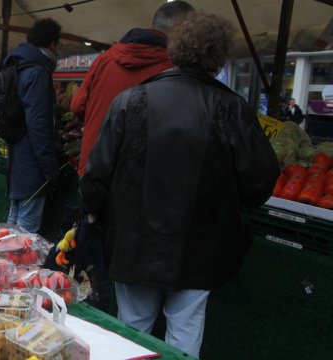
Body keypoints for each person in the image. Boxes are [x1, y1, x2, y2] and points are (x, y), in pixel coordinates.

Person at [79, 12, 280, 357]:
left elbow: (96, 174)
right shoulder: (232, 108)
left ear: (175, 49)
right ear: (219, 58)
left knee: (131, 327)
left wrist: (95, 213)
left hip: (133, 240)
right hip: (200, 247)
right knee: (184, 330)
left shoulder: (131, 100)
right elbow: (259, 182)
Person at [72, 0, 194, 177]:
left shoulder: (105, 59)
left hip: (94, 168)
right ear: (182, 29)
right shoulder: (178, 68)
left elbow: (77, 107)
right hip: (140, 179)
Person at [4, 18, 62, 233]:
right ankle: (17, 264)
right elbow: (39, 124)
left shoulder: (19, 66)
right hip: (32, 159)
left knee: (14, 221)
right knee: (26, 230)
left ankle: (3, 263)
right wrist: (49, 167)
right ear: (53, 44)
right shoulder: (37, 72)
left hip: (18, 153)